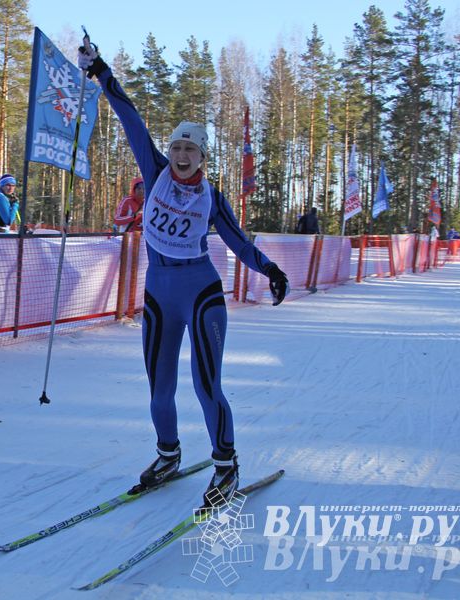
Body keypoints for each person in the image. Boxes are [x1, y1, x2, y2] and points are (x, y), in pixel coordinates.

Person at [78, 44, 289, 508]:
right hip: (158, 292)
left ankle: (226, 464)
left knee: (206, 384)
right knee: (160, 387)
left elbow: (237, 242)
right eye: (176, 146)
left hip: (200, 293)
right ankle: (168, 454)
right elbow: (131, 118)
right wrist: (101, 73)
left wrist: (269, 268)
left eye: (189, 148)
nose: (180, 154)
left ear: (202, 155)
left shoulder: (211, 197)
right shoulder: (154, 173)